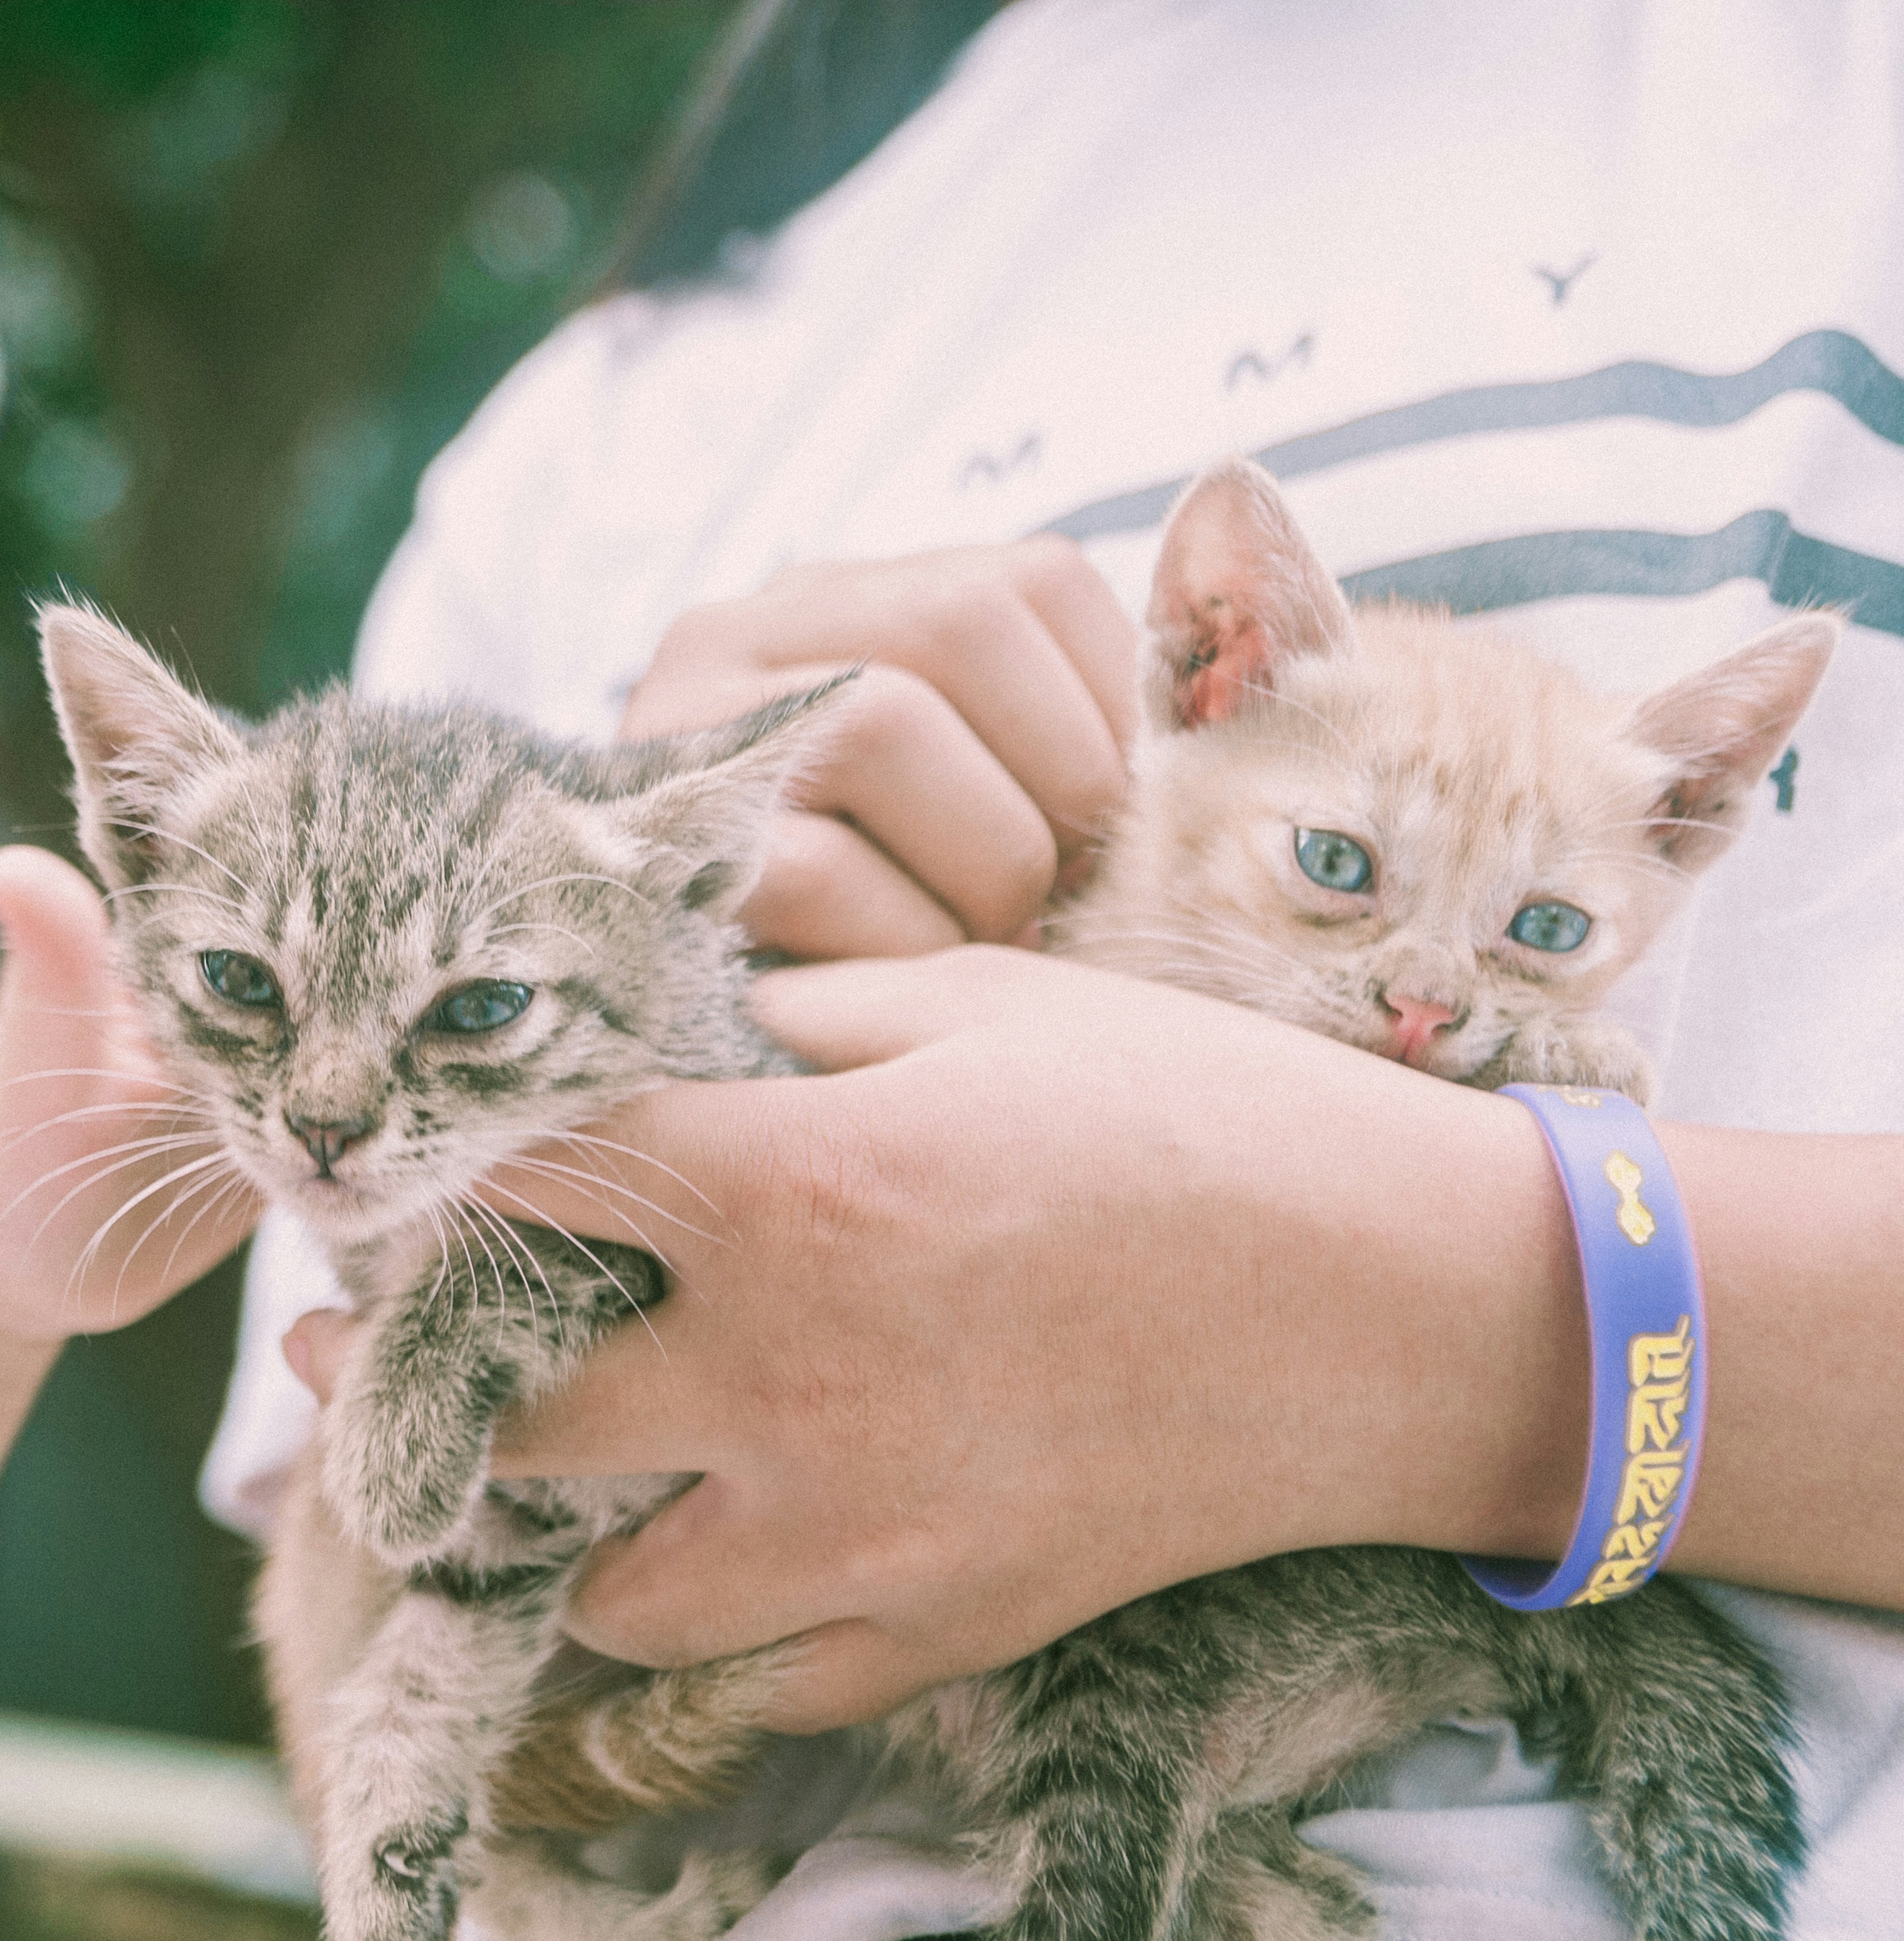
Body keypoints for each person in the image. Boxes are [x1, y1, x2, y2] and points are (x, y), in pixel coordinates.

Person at [5, 2, 1903, 1937]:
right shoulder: (628, 381)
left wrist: (1445, 1316)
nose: (1423, 993)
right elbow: (373, 1625)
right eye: (1340, 880)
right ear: (1208, 665)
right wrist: (672, 981)